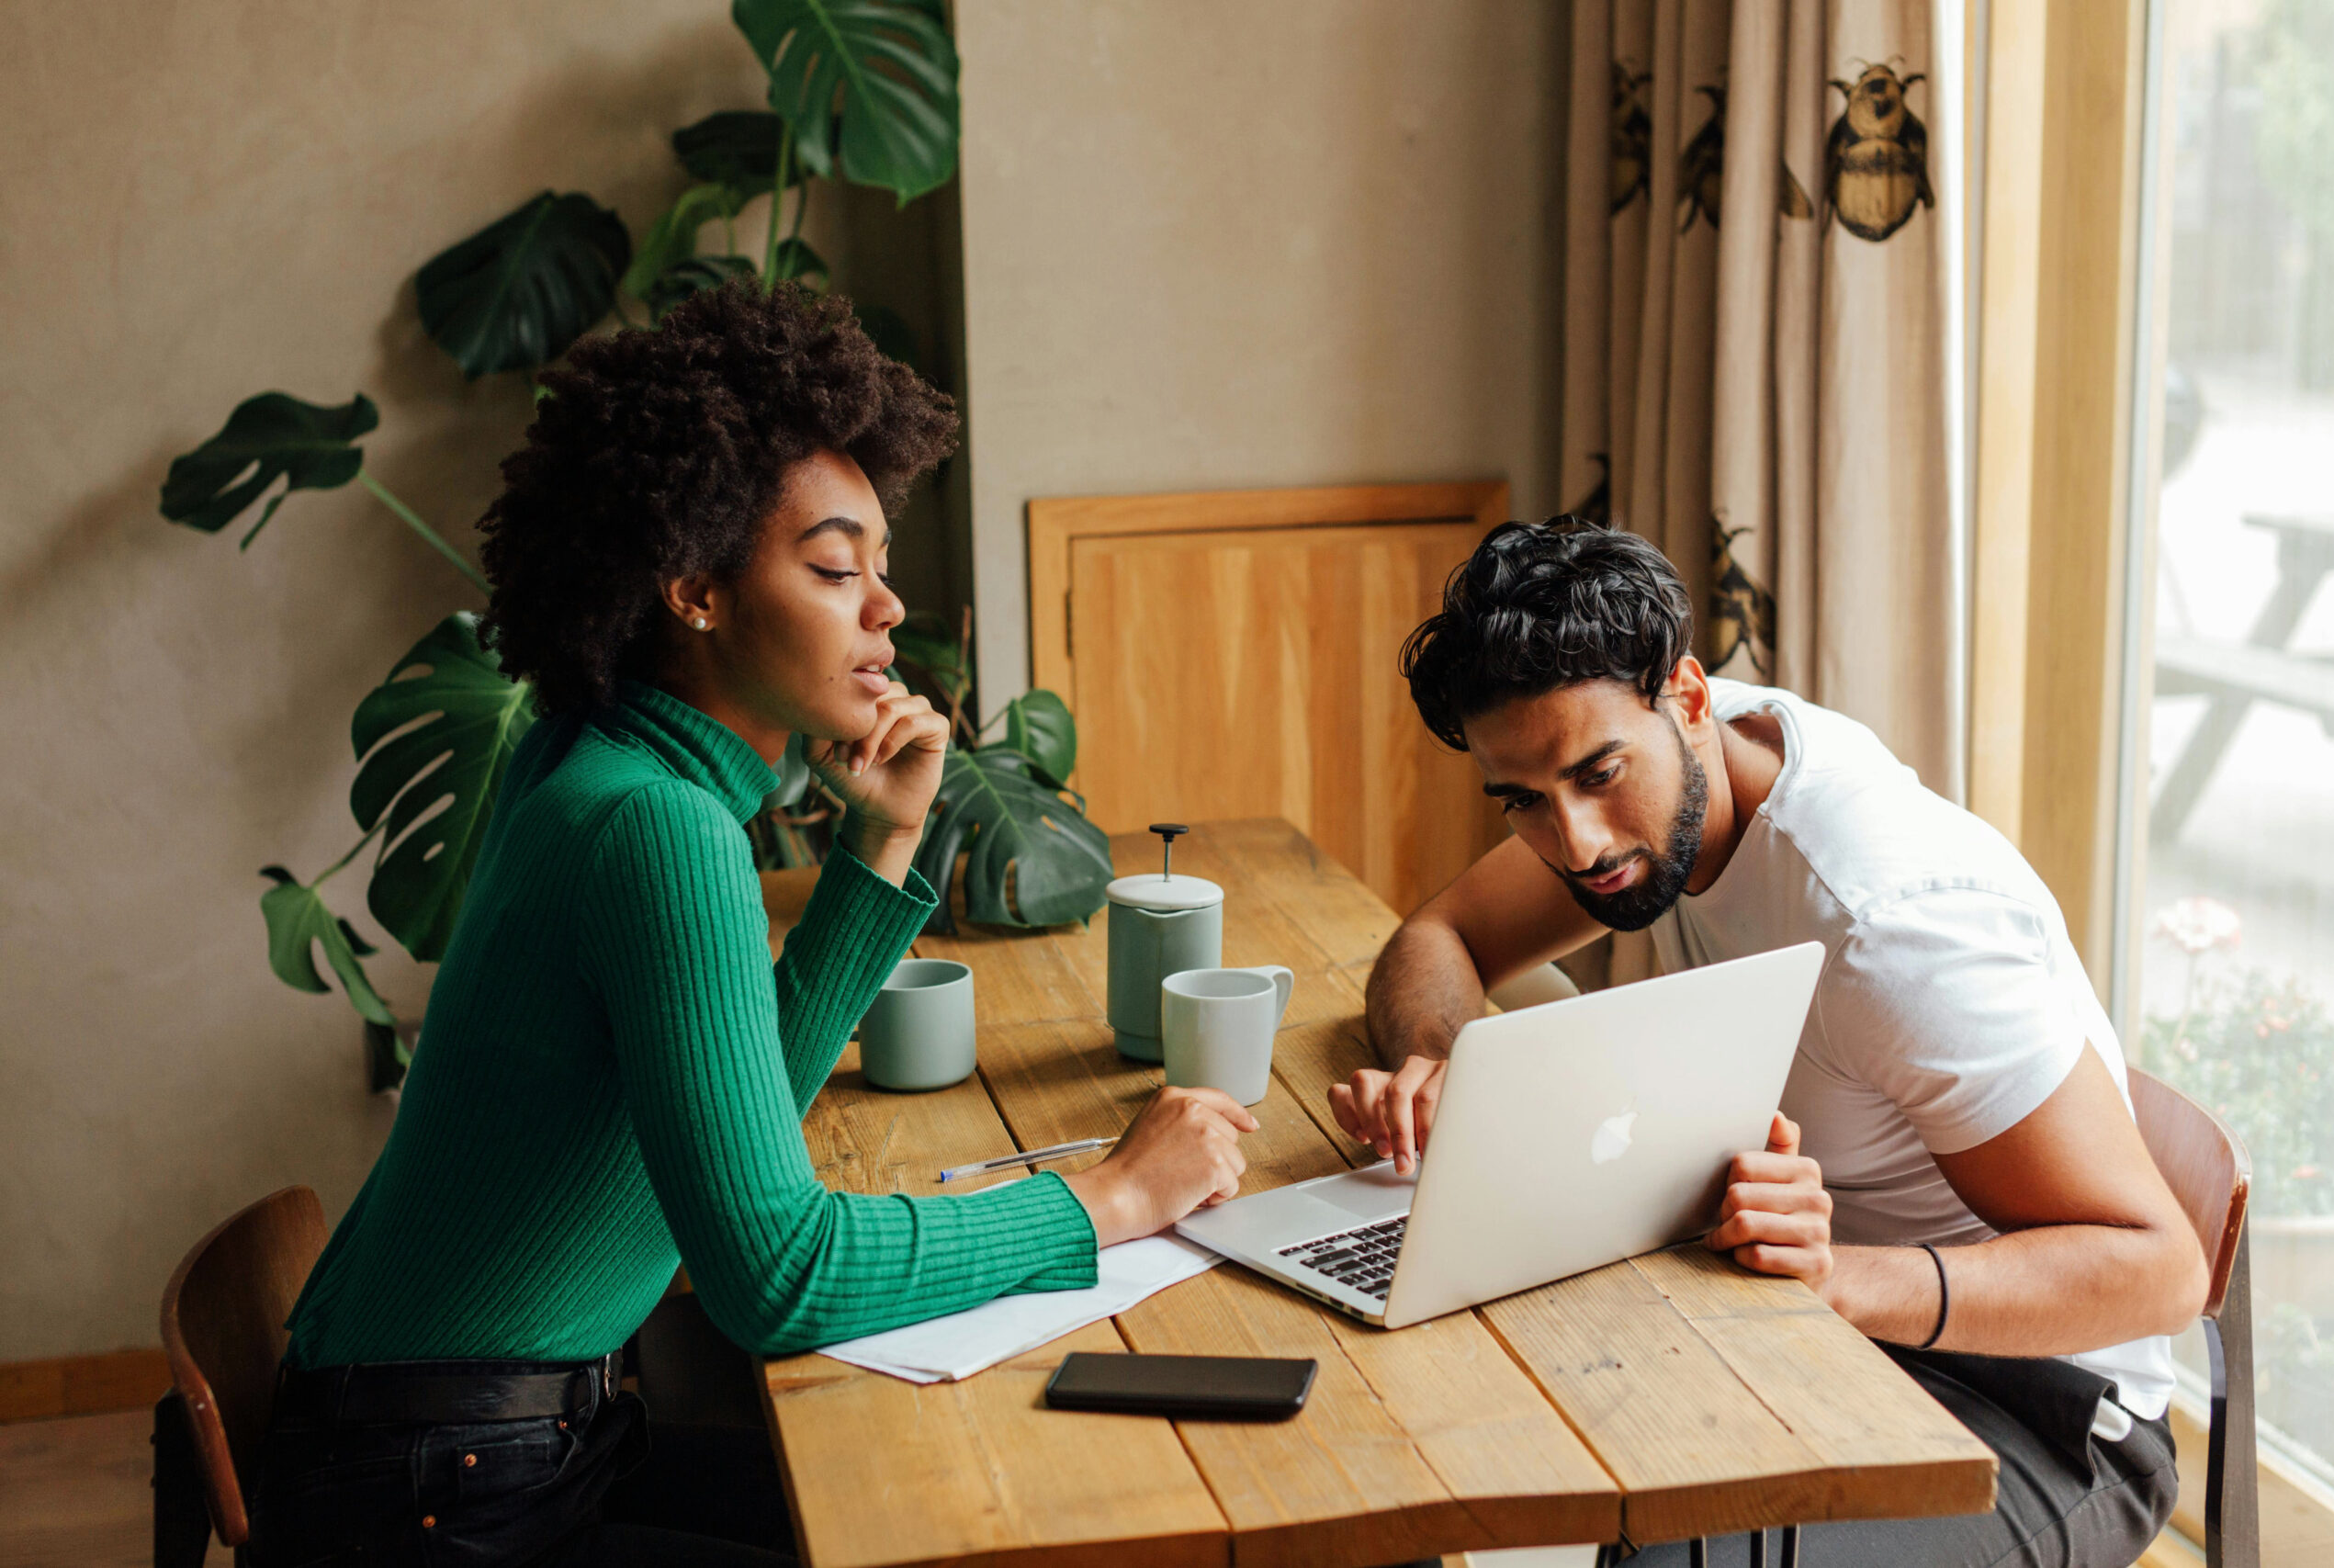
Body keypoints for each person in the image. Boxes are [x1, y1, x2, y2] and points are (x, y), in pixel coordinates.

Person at [246, 280, 1256, 1567]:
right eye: (837, 567)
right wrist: (1111, 1193)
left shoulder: (596, 761)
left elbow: (744, 1108)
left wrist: (884, 836)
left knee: (923, 1510)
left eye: (881, 567)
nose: (887, 606)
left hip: (463, 1442)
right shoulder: (657, 827)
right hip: (442, 1498)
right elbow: (778, 1275)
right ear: (694, 588)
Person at [1330, 518, 2208, 1567]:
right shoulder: (1683, 767)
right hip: (1793, 1320)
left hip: (2036, 1410)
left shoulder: (1892, 922)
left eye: (1597, 775)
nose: (1575, 844)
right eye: (1523, 800)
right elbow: (1437, 937)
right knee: (1394, 1427)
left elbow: (2158, 1270)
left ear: (1690, 698)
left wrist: (1837, 1278)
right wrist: (1450, 1060)